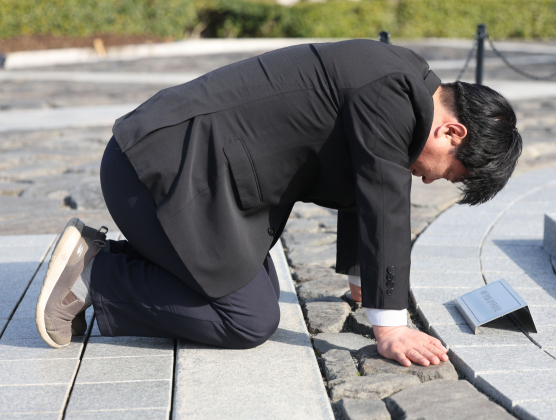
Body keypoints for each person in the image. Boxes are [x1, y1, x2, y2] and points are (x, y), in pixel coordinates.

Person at [35, 39, 522, 367]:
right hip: (157, 170)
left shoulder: (403, 83)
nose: (433, 180)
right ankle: (93, 278)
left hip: (184, 172)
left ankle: (102, 255)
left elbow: (364, 187)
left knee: (257, 284)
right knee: (248, 318)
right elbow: (384, 203)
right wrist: (389, 327)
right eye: (450, 173)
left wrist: (362, 284)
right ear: (452, 132)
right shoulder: (393, 95)